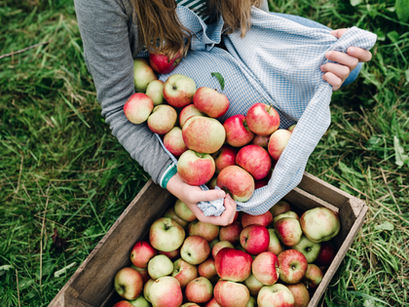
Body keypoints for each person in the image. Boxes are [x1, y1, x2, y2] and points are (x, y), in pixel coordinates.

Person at [74, 0, 373, 225]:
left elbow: (251, 14)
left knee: (346, 65)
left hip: (227, 30)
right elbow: (117, 106)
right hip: (172, 65)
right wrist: (175, 183)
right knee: (248, 131)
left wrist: (302, 47)